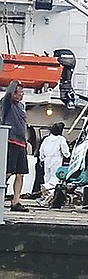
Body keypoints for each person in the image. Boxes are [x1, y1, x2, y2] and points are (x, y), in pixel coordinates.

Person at [1, 80, 29, 211]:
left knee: (20, 173)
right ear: (14, 93)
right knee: (8, 171)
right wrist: (14, 83)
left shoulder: (21, 107)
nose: (22, 95)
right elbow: (7, 97)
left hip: (21, 142)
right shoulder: (7, 104)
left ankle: (16, 201)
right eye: (20, 92)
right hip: (10, 141)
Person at [39, 122, 70, 190]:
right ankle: (51, 193)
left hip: (47, 160)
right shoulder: (61, 139)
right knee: (55, 177)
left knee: (47, 176)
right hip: (56, 160)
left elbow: (41, 150)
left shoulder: (46, 139)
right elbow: (65, 150)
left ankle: (46, 192)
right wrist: (67, 155)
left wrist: (41, 159)